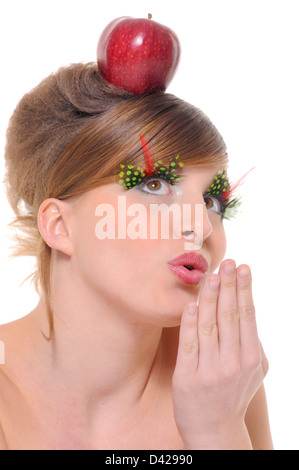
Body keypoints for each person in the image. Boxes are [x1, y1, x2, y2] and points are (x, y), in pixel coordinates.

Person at [0, 62, 273, 450]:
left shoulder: (220, 379)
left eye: (212, 200)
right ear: (60, 226)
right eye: (155, 184)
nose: (202, 226)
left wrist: (219, 432)